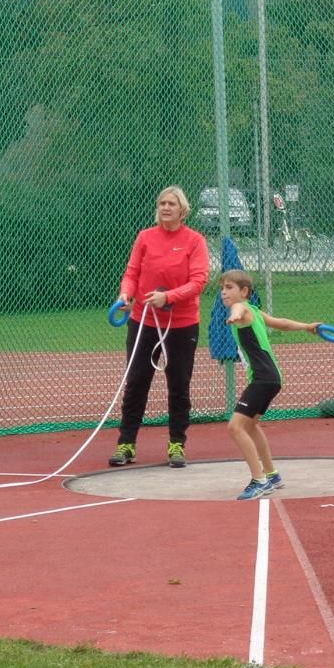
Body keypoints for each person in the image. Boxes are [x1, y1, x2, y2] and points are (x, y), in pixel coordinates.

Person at [110, 187, 209, 469]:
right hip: (144, 321)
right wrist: (126, 295)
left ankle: (177, 444)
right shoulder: (145, 237)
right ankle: (126, 444)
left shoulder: (195, 241)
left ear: (182, 210)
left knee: (179, 385)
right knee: (136, 382)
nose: (166, 207)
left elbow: (198, 281)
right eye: (162, 203)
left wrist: (169, 297)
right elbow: (132, 273)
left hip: (182, 324)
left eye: (171, 204)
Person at [217, 270, 320, 501]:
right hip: (271, 378)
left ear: (244, 291)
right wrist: (306, 326)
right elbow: (281, 323)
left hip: (263, 379)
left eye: (229, 287)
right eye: (222, 288)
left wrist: (234, 315)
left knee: (235, 427)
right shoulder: (255, 311)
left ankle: (259, 480)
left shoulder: (242, 309)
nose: (224, 292)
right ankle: (272, 474)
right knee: (250, 425)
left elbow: (238, 309)